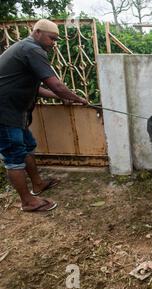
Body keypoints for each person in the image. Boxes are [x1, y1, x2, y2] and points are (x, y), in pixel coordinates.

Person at [0, 19, 88, 212]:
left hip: (16, 111)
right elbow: (55, 85)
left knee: (28, 146)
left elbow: (38, 89)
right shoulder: (32, 49)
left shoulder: (25, 48)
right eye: (51, 38)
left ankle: (37, 184)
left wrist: (65, 98)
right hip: (5, 112)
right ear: (38, 32)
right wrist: (77, 98)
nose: (53, 43)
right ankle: (27, 202)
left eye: (56, 39)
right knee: (14, 156)